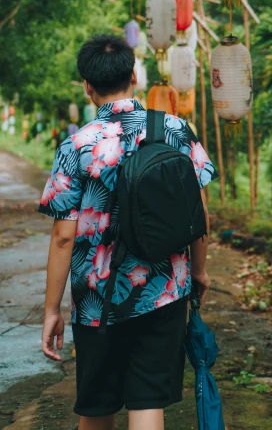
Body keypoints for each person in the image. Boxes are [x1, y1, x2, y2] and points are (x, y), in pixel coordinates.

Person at [39, 34, 218, 430]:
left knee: (98, 403)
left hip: (96, 298)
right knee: (147, 398)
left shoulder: (77, 145)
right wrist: (199, 273)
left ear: (87, 86)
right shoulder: (175, 130)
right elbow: (199, 213)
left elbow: (63, 237)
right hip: (165, 287)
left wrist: (52, 309)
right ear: (134, 76)